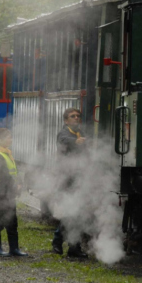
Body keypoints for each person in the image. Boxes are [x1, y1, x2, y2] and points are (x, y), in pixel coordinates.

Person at [51, 107, 89, 258]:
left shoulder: (81, 133)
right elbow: (65, 141)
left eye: (78, 116)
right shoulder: (64, 133)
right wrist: (77, 142)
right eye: (72, 116)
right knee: (72, 213)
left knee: (75, 214)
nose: (76, 118)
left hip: (79, 178)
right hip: (67, 179)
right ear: (66, 120)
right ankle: (68, 245)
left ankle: (66, 244)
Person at [0, 128, 27, 257]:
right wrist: (14, 185)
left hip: (9, 192)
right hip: (0, 192)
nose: (11, 139)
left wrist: (19, 183)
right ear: (0, 139)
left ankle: (14, 248)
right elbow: (3, 175)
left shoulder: (7, 154)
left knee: (12, 220)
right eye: (8, 137)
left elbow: (14, 171)